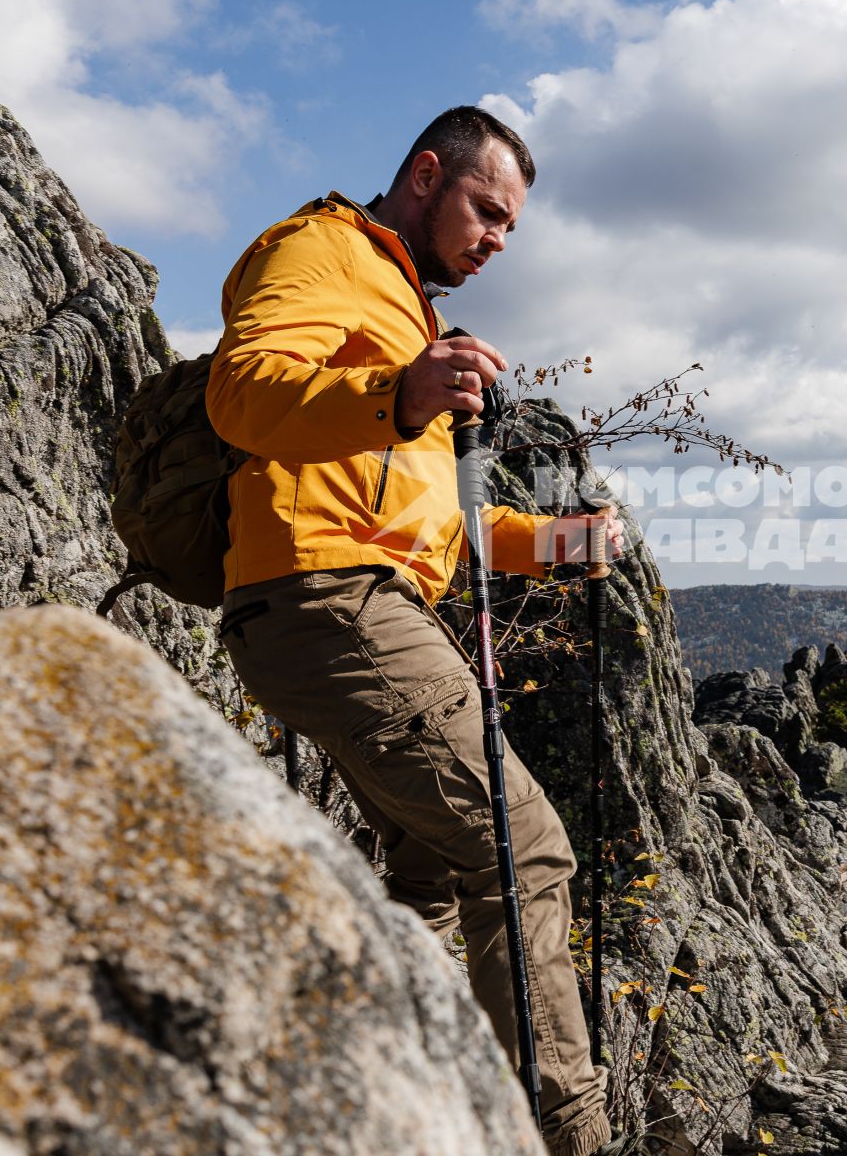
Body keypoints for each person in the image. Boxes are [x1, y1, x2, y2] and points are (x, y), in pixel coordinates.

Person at [206, 107, 616, 1156]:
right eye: (487, 211)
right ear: (426, 174)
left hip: (354, 595)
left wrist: (558, 545)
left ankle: (379, 1105)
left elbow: (438, 526)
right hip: (325, 597)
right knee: (524, 850)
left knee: (436, 871)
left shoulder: (402, 302)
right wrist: (401, 389)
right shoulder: (320, 250)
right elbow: (239, 394)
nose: (496, 240)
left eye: (511, 228)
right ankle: (568, 1139)